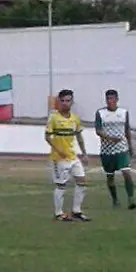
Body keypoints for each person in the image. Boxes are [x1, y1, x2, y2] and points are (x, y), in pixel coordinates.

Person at [45, 89, 90, 221]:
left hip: (73, 156)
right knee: (61, 185)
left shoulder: (75, 119)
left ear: (72, 102)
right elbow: (47, 137)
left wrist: (84, 153)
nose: (65, 103)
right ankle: (58, 213)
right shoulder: (54, 118)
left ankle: (77, 210)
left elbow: (79, 136)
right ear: (59, 102)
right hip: (59, 158)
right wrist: (58, 151)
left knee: (82, 181)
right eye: (63, 101)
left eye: (68, 101)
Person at [95, 88, 135, 209]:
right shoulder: (100, 113)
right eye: (107, 98)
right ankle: (115, 199)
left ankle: (131, 199)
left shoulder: (123, 112)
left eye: (112, 98)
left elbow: (127, 129)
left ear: (117, 99)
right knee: (110, 176)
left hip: (121, 148)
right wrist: (110, 138)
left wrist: (130, 145)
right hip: (107, 150)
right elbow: (98, 130)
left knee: (126, 172)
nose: (109, 101)